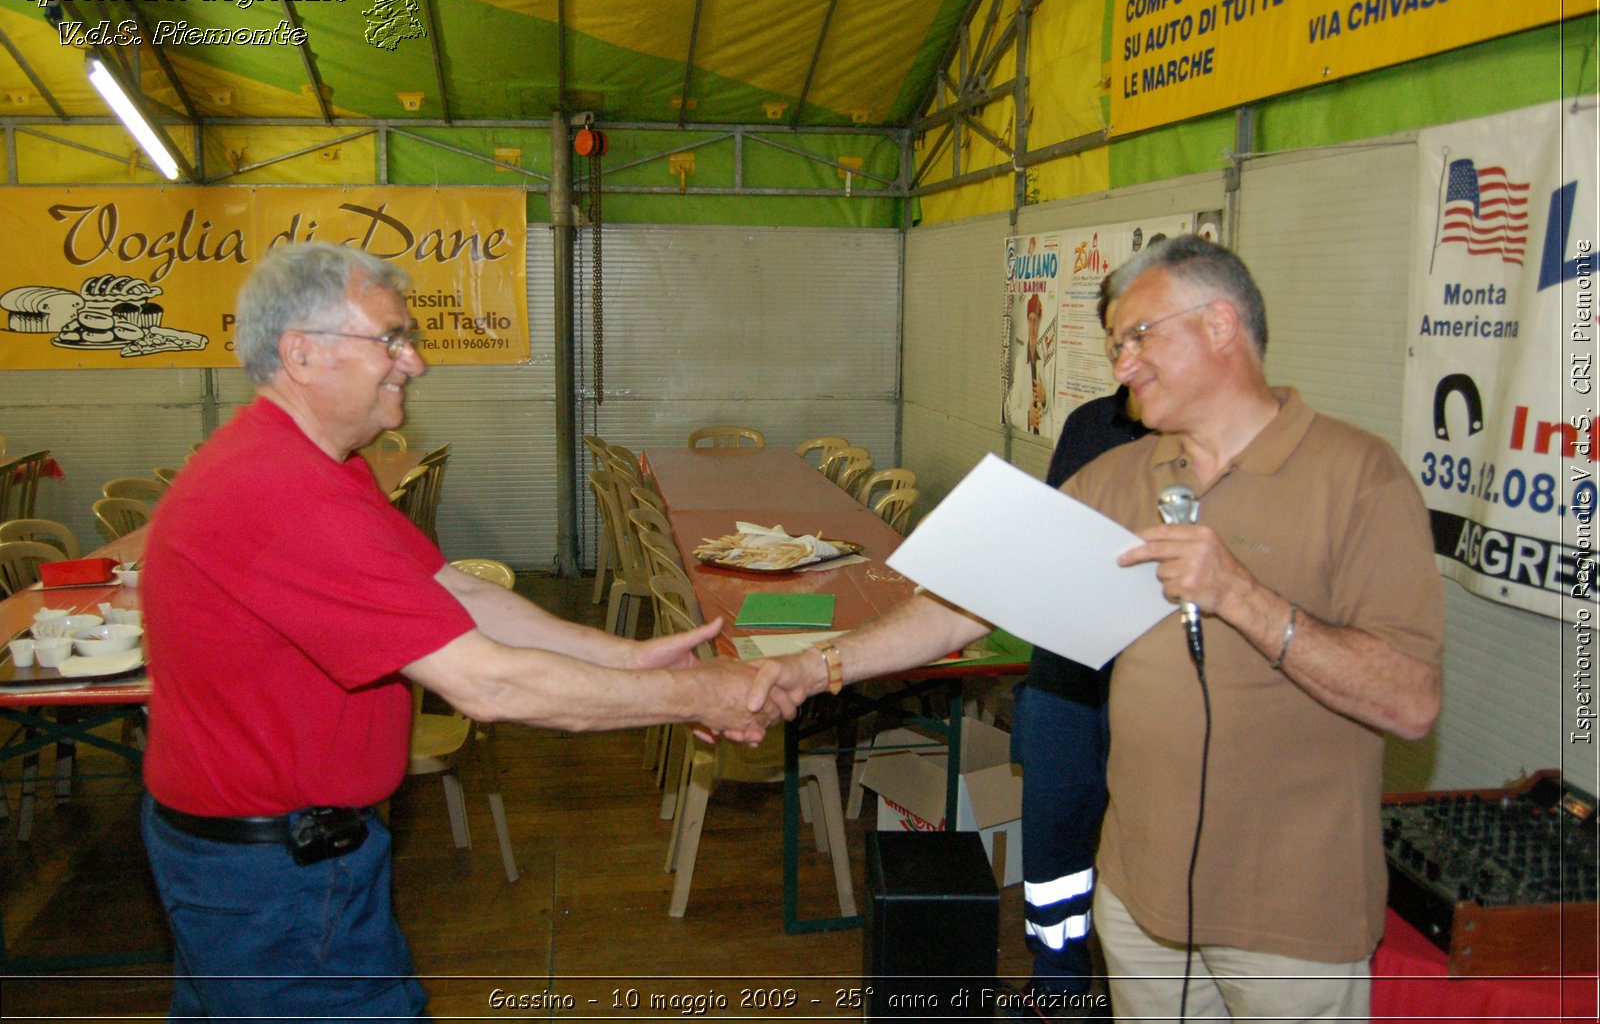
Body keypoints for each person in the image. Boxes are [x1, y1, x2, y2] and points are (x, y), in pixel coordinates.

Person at [750, 234, 1444, 1019]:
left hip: (1289, 926)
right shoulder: (1117, 476)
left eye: (1138, 336)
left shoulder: (1357, 476)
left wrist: (1244, 598)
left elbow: (1410, 700)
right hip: (1139, 905)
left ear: (1220, 326)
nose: (1121, 364)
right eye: (1114, 344)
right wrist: (817, 669)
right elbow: (961, 606)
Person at [140, 242, 776, 1021]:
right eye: (392, 339)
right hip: (276, 880)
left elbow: (451, 591)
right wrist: (696, 695)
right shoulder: (279, 491)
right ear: (301, 353)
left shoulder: (318, 465)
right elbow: (489, 682)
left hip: (279, 861)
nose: (415, 361)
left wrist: (631, 657)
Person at [1010, 381, 1145, 1020]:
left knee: (1136, 853)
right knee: (1053, 841)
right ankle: (1056, 992)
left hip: (1146, 689)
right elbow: (1052, 542)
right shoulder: (1091, 422)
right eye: (1121, 341)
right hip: (1063, 679)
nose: (1130, 356)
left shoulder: (1213, 444)